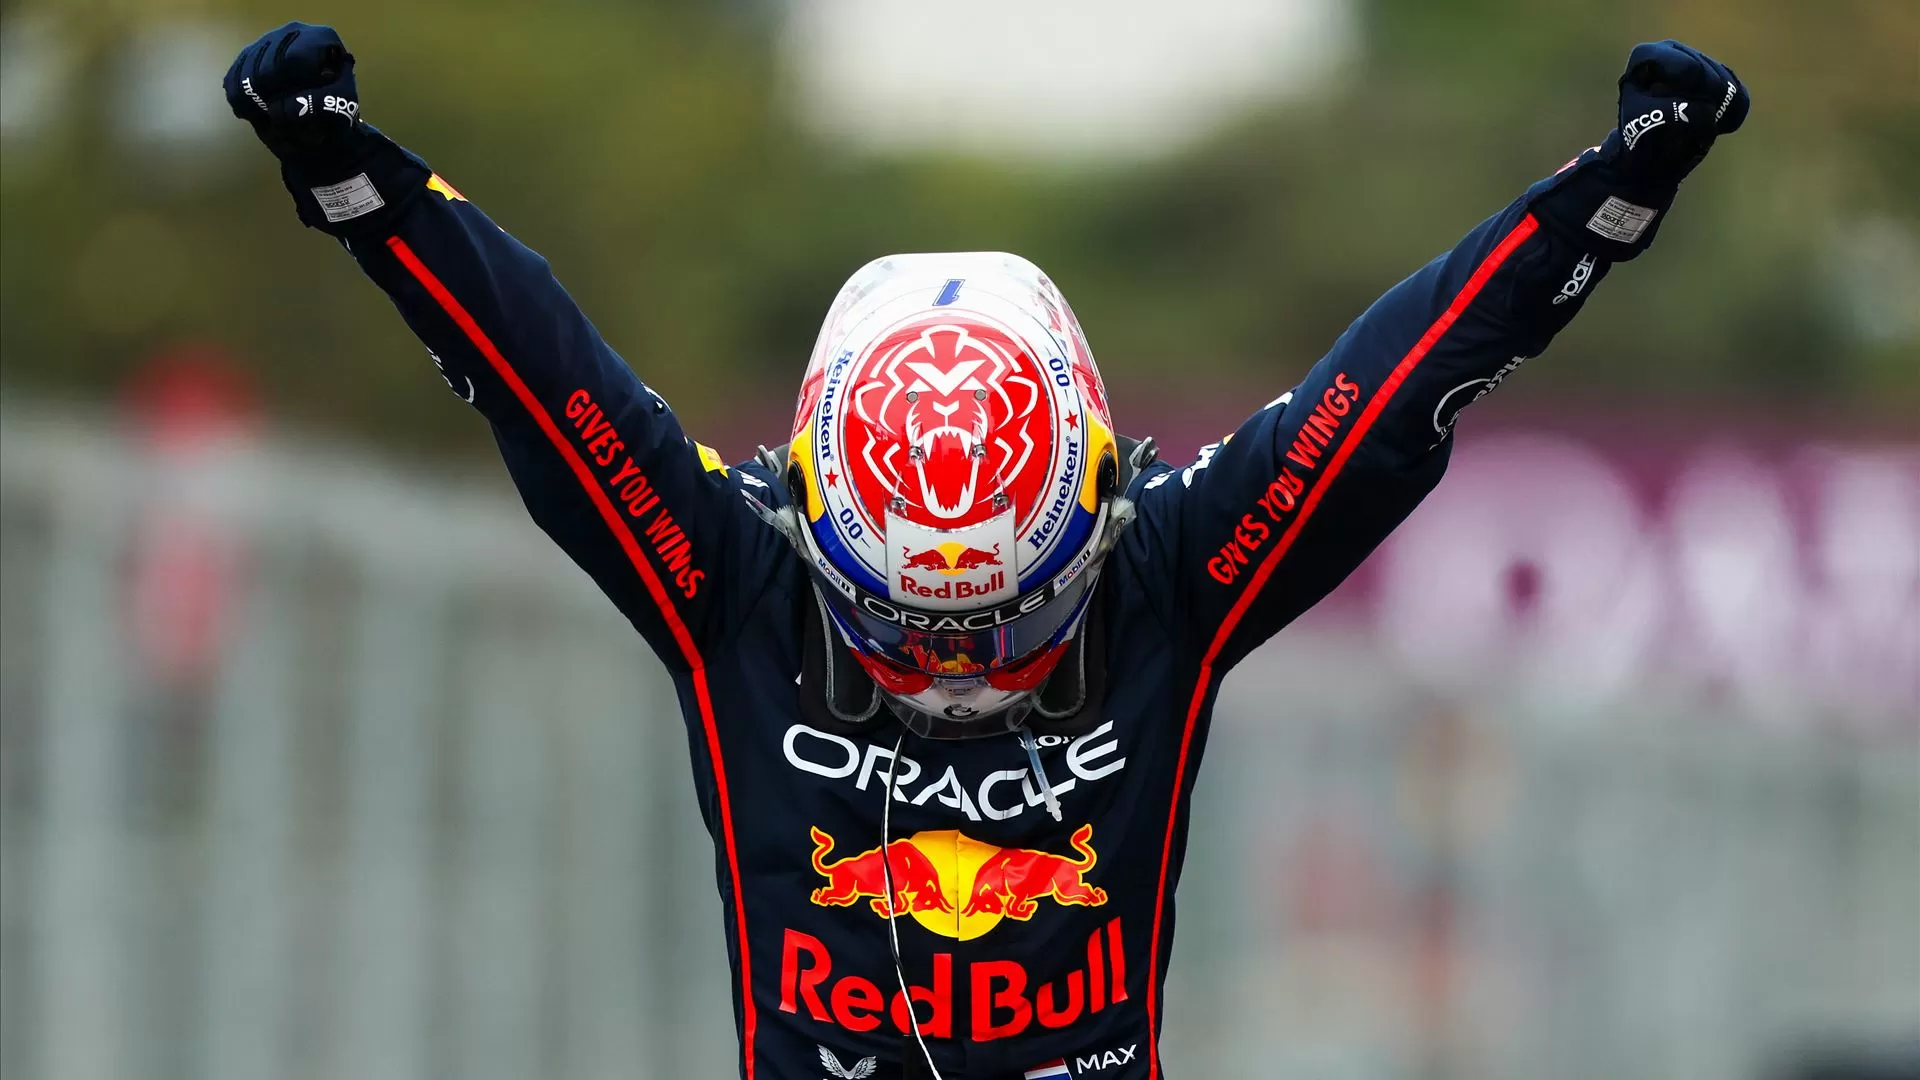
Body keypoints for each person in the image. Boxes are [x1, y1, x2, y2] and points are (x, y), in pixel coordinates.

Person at [224, 24, 1747, 1079]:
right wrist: (357, 184)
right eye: (904, 630)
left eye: (1006, 625)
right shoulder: (733, 585)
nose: (956, 673)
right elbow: (546, 378)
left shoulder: (1168, 577)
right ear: (809, 516)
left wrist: (1611, 194)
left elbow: (1392, 390)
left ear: (1099, 502)